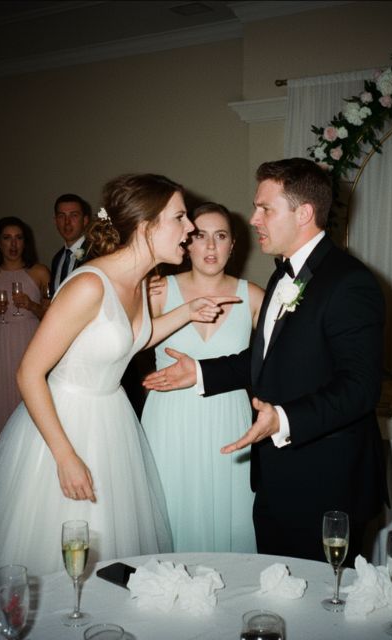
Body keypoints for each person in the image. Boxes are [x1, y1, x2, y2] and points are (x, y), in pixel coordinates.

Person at [0, 173, 238, 590]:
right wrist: (65, 455)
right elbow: (29, 372)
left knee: (112, 547)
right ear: (147, 226)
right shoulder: (88, 285)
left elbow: (132, 339)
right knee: (56, 547)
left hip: (111, 418)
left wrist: (188, 311)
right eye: (180, 218)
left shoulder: (138, 282)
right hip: (67, 422)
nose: (190, 228)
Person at [144, 158, 388, 564]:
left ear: (303, 213)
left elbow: (360, 387)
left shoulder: (349, 282)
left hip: (325, 480)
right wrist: (200, 372)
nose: (254, 218)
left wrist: (283, 419)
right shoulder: (282, 276)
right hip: (276, 476)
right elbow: (266, 359)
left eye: (265, 209)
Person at [142, 203, 264, 552]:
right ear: (187, 242)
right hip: (169, 420)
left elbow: (274, 364)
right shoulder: (158, 291)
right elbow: (125, 344)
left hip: (229, 420)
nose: (210, 246)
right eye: (200, 236)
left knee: (229, 519)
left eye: (220, 236)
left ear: (233, 245)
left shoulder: (254, 297)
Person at [0, 217, 50, 466]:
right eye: (7, 238)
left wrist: (32, 305)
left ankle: (31, 467)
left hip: (31, 343)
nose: (13, 244)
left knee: (29, 403)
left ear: (25, 243)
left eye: (18, 238)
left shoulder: (39, 272)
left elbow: (52, 316)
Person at [50, 193, 91, 294]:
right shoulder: (57, 259)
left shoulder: (93, 253)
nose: (67, 222)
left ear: (85, 220)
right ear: (55, 221)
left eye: (74, 215)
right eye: (61, 216)